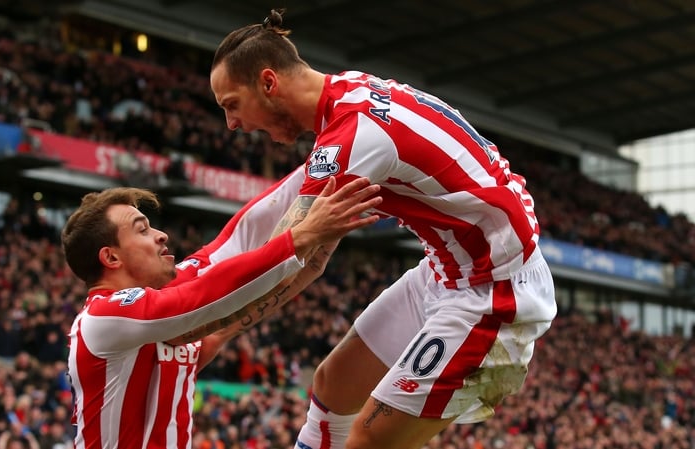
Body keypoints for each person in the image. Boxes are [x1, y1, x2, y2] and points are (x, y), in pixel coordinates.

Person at [209, 9, 558, 449]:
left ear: (268, 82)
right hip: (445, 270)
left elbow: (292, 258)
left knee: (368, 439)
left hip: (493, 292)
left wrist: (214, 332)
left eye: (231, 105)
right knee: (334, 387)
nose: (232, 125)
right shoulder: (349, 91)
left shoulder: (349, 140)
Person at [62, 180, 382, 449]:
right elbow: (206, 293)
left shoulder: (159, 311)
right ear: (111, 257)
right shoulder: (102, 317)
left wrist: (328, 161)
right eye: (142, 230)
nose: (161, 235)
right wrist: (302, 238)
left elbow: (232, 244)